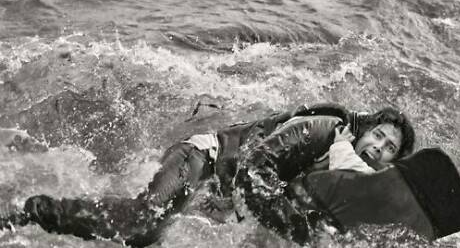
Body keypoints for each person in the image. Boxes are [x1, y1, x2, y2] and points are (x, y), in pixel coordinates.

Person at [1, 102, 416, 246]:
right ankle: (30, 211)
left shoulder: (352, 185)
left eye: (388, 148)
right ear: (363, 132)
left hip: (220, 196)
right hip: (203, 160)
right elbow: (256, 168)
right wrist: (291, 226)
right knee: (144, 225)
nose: (378, 146)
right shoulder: (324, 130)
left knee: (146, 242)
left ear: (388, 163)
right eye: (377, 135)